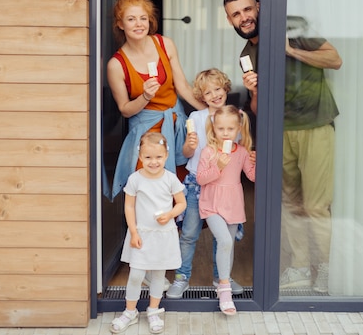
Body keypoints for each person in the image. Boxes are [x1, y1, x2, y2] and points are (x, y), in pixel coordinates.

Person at [223, 0, 342, 294]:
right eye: (236, 14)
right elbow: (256, 110)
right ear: (230, 21)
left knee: (316, 205)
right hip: (279, 132)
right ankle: (301, 268)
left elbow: (335, 59)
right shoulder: (246, 56)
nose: (244, 18)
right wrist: (255, 90)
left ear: (258, 7)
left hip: (315, 125)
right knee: (289, 204)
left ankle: (325, 271)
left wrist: (291, 51)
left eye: (247, 10)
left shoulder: (293, 27)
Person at [107, 0, 205, 290]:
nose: (139, 24)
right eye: (131, 19)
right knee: (147, 202)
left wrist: (210, 113)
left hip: (174, 128)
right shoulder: (116, 64)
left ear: (151, 21)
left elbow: (184, 89)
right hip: (146, 136)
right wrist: (144, 97)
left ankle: (165, 266)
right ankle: (147, 271)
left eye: (144, 18)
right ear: (120, 24)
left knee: (174, 196)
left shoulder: (165, 44)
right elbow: (125, 110)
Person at [166, 69, 245, 299]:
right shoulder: (196, 119)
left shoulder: (234, 118)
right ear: (201, 96)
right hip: (195, 184)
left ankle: (221, 278)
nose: (214, 95)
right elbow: (186, 153)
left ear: (226, 88)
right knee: (189, 233)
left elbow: (238, 152)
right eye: (208, 92)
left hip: (221, 185)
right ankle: (182, 277)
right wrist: (190, 145)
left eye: (218, 89)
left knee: (222, 237)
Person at [110, 132, 187, 334]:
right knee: (136, 275)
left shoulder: (170, 179)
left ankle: (153, 310)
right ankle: (130, 311)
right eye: (148, 157)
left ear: (166, 156)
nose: (153, 162)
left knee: (158, 276)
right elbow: (129, 207)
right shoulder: (135, 179)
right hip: (142, 234)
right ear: (139, 157)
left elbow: (182, 203)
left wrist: (170, 214)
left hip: (163, 235)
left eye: (158, 157)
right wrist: (133, 232)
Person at [197, 105, 256, 315]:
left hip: (233, 203)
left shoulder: (241, 152)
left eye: (230, 129)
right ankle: (224, 291)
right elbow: (201, 178)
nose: (225, 133)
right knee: (224, 241)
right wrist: (218, 167)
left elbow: (252, 176)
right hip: (211, 203)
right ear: (214, 128)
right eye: (220, 128)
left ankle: (223, 280)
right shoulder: (209, 151)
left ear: (239, 128)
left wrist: (256, 163)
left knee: (228, 247)